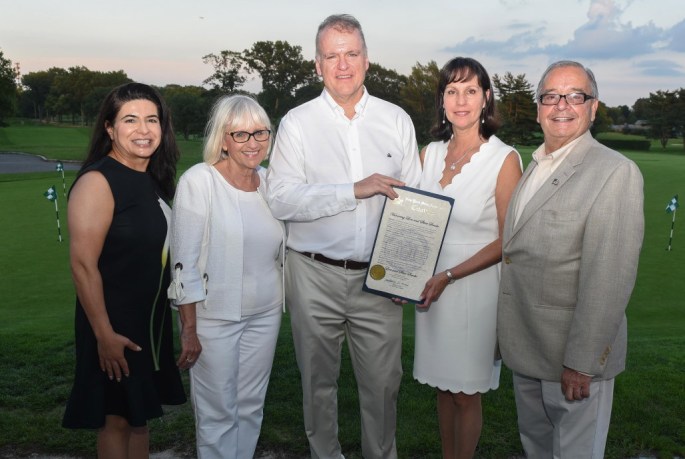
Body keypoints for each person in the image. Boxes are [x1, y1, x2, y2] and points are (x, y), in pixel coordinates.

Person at [265, 14, 421, 459]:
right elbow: (281, 199)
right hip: (313, 274)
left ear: (367, 61)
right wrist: (353, 190)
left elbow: (414, 206)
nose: (343, 65)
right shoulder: (297, 123)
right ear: (317, 65)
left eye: (351, 53)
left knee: (384, 385)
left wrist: (405, 276)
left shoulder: (396, 121)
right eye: (332, 55)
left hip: (380, 278)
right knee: (317, 385)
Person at [497, 60, 644, 458]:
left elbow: (609, 278)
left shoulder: (615, 172)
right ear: (539, 107)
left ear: (593, 107)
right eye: (550, 96)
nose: (562, 105)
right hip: (527, 349)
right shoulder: (536, 164)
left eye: (575, 95)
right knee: (537, 450)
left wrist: (582, 362)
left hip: (572, 364)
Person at [62, 83, 186, 457]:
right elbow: (83, 266)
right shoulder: (98, 182)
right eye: (130, 120)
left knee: (139, 417)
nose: (143, 129)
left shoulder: (152, 180)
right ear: (110, 128)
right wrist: (104, 335)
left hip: (146, 324)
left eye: (152, 119)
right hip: (112, 325)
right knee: (116, 418)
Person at [412, 57, 522, 458]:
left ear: (486, 98)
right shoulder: (429, 153)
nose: (461, 100)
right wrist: (400, 277)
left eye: (470, 90)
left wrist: (449, 275)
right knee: (443, 389)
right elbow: (411, 223)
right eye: (452, 91)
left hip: (473, 290)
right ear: (441, 100)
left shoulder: (503, 158)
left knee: (465, 395)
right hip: (431, 291)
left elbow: (507, 238)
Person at [167, 94, 285, 459]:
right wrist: (189, 329)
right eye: (241, 135)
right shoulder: (199, 181)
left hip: (266, 314)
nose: (253, 143)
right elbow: (182, 261)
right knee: (217, 412)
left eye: (260, 132)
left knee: (250, 405)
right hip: (213, 317)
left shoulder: (271, 182)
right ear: (223, 140)